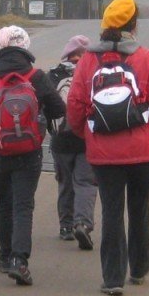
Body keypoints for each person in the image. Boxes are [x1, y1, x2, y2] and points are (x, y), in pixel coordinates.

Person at [65, 0, 149, 296]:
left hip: (103, 151)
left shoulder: (88, 60)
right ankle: (139, 269)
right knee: (139, 208)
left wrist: (87, 134)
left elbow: (75, 107)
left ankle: (112, 278)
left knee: (112, 212)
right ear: (134, 25)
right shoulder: (147, 58)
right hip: (143, 149)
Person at [0, 24, 66, 286]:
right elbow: (59, 110)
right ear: (25, 46)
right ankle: (19, 261)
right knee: (23, 204)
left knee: (4, 202)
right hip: (29, 150)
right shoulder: (37, 76)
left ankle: (4, 256)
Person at [48, 33, 97, 251]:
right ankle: (83, 223)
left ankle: (66, 226)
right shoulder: (94, 73)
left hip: (61, 139)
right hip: (87, 136)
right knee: (86, 182)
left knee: (65, 182)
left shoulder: (53, 75)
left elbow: (45, 106)